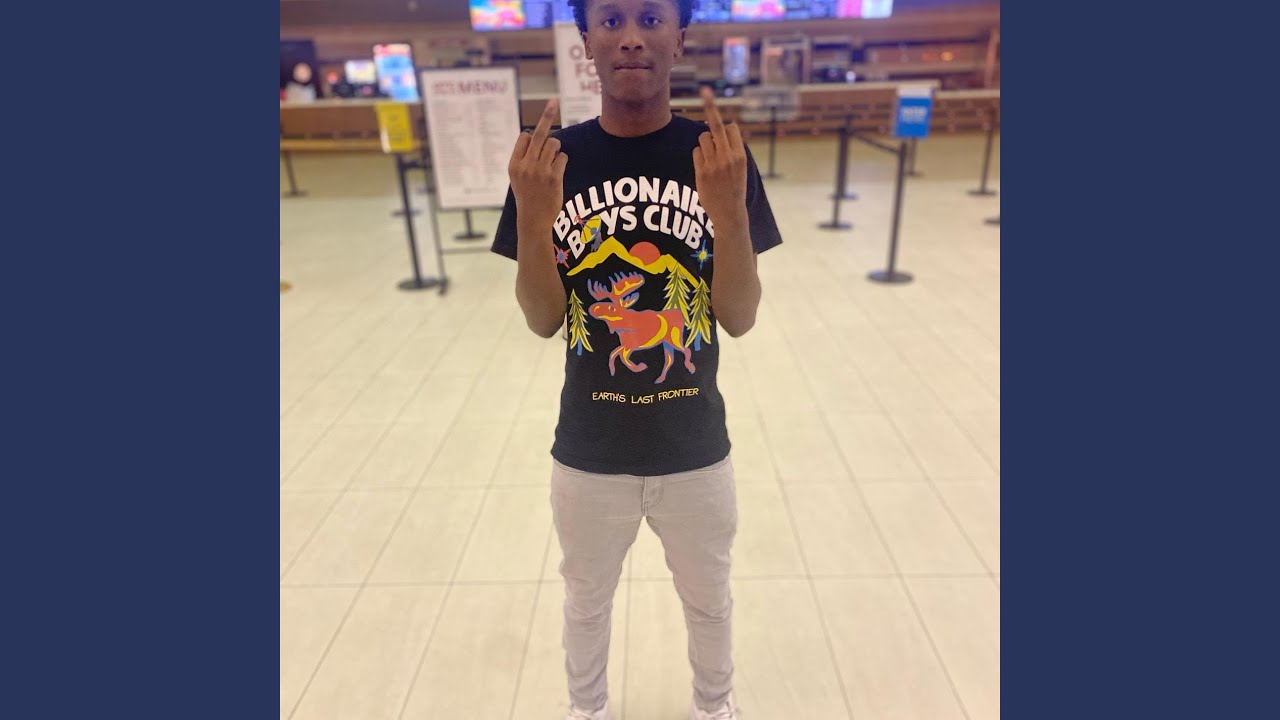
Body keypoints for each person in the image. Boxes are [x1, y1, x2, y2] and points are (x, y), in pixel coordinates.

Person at [490, 1, 783, 718]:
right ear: (585, 39)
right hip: (589, 449)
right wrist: (534, 218)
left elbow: (740, 318)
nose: (630, 38)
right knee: (585, 604)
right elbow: (543, 320)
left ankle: (715, 707)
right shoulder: (550, 163)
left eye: (651, 19)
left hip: (695, 447)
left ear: (680, 39)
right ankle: (586, 709)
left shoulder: (719, 157)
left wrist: (729, 214)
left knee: (709, 602)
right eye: (611, 19)